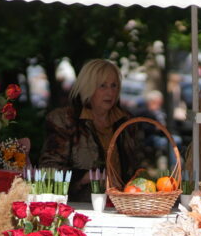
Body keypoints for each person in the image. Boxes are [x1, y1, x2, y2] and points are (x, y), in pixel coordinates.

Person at [39, 58, 151, 200]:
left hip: (123, 206)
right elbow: (48, 170)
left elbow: (137, 167)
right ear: (88, 87)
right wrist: (83, 176)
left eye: (114, 85)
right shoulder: (64, 120)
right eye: (102, 86)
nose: (110, 92)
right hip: (80, 208)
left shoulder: (127, 122)